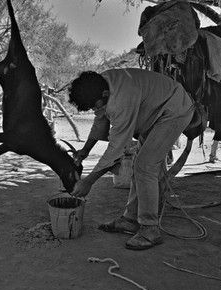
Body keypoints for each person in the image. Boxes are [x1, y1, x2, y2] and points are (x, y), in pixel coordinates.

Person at [68, 69, 195, 250]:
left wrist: (89, 181)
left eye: (96, 105)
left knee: (145, 166)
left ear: (105, 94)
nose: (95, 109)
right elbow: (100, 120)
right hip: (155, 112)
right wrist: (85, 151)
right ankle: (131, 220)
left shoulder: (121, 100)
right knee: (139, 166)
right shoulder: (100, 85)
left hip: (174, 110)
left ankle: (150, 230)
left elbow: (116, 150)